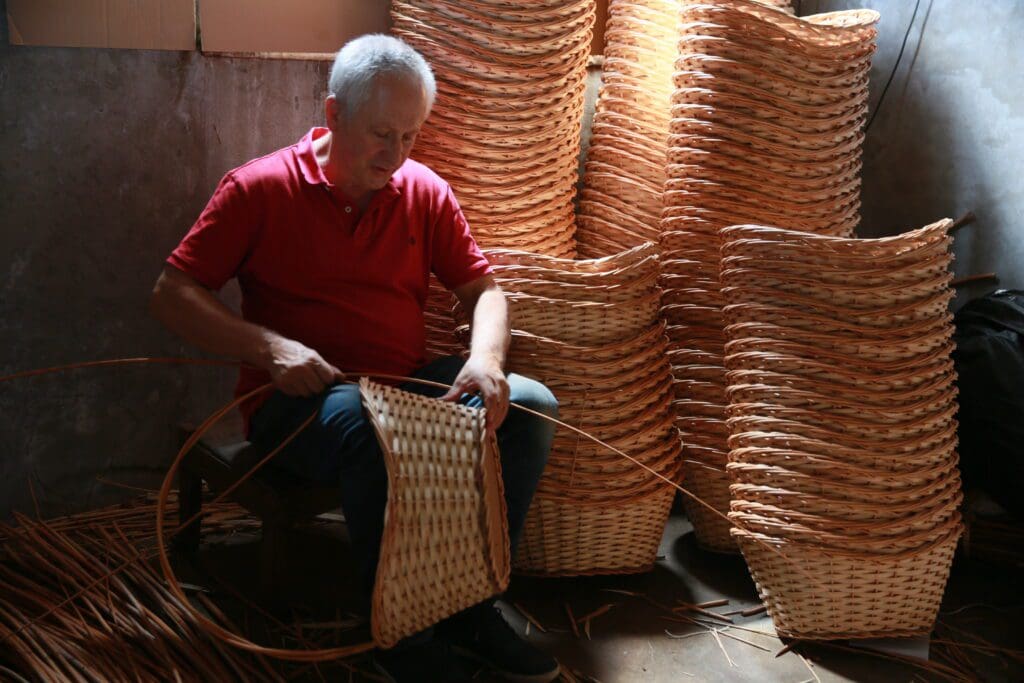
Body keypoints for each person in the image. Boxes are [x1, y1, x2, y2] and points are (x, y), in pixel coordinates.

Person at [151, 34, 560, 683]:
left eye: (410, 137)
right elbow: (172, 293)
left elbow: (485, 290)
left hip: (397, 386)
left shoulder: (423, 191)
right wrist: (270, 347)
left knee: (531, 406)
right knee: (369, 424)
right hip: (299, 407)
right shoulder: (258, 189)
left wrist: (486, 359)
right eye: (380, 134)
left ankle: (473, 607)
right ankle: (401, 635)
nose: (395, 155)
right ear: (334, 113)